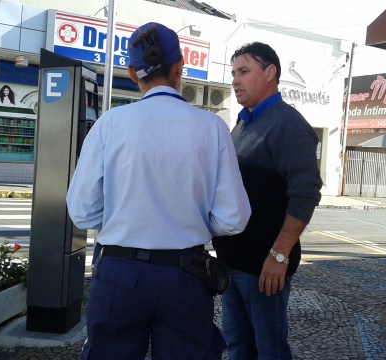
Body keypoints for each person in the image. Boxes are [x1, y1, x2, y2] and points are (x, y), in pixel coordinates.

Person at [66, 22, 251, 360]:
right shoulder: (212, 127)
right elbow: (234, 218)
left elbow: (82, 210)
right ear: (180, 67)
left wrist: (124, 217)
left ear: (132, 72)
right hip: (185, 275)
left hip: (119, 273)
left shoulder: (110, 123)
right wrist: (189, 221)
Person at [212, 42, 323, 360]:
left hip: (263, 268)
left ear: (270, 72)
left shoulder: (289, 125)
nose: (235, 80)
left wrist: (279, 255)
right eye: (234, 73)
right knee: (238, 347)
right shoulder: (243, 123)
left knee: (269, 351)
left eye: (244, 72)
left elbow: (306, 192)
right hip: (233, 265)